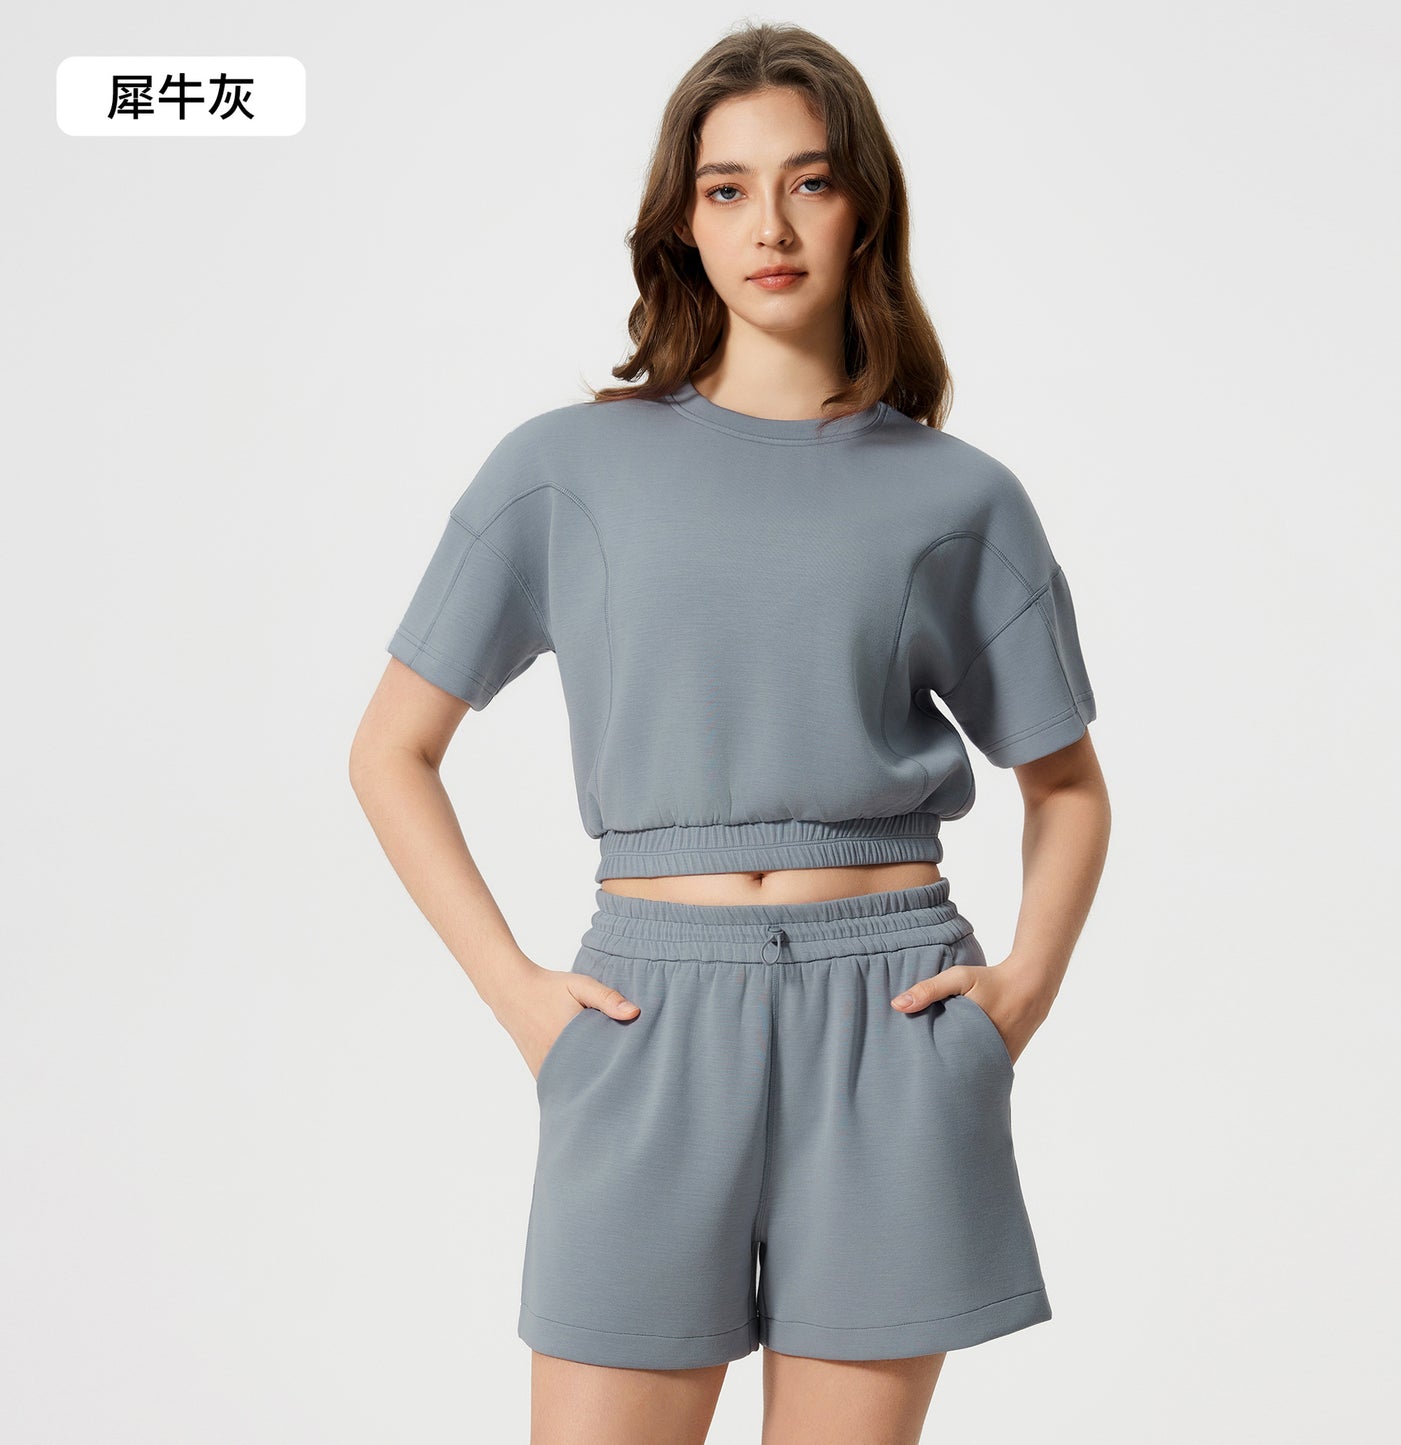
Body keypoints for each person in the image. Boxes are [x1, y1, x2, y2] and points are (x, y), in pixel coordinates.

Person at [350, 21, 1110, 1445]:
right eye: (726, 188)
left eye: (808, 181)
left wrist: (1019, 994)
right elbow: (389, 750)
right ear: (681, 221)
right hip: (646, 1017)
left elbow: (1065, 783)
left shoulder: (960, 495)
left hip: (889, 1019)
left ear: (863, 207)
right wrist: (519, 995)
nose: (769, 224)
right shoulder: (562, 468)